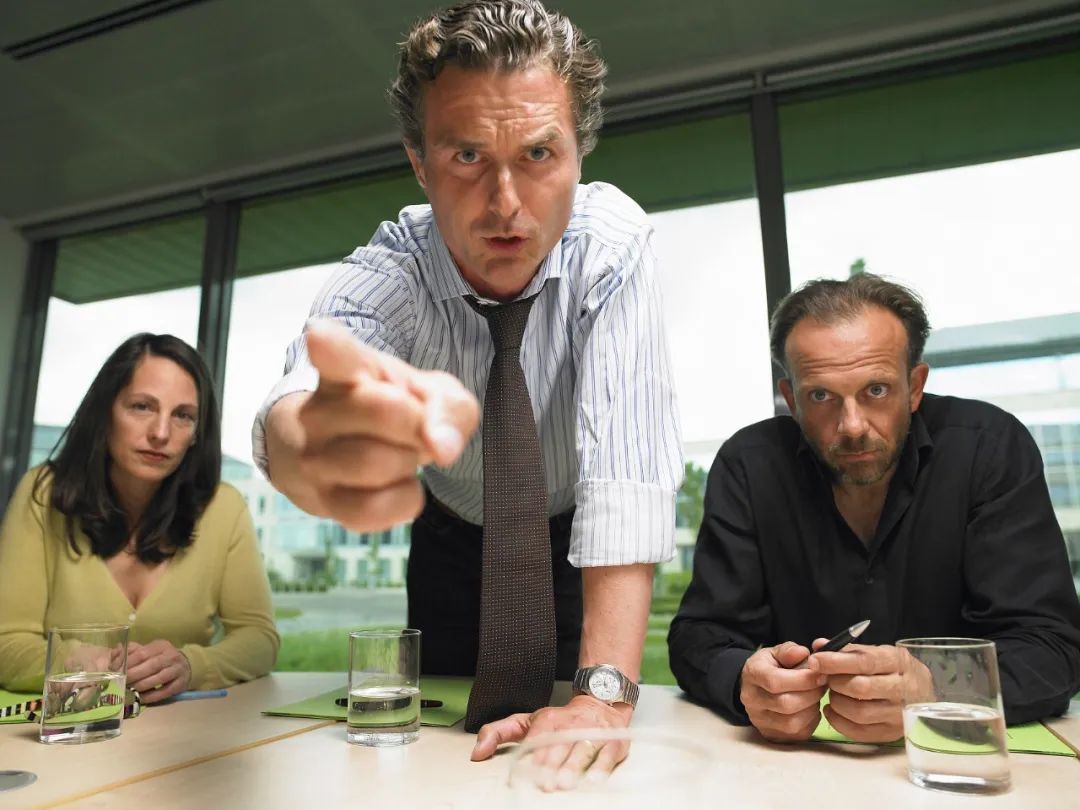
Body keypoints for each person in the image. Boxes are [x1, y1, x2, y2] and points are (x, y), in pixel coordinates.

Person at [254, 0, 682, 763]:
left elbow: (626, 477)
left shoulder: (612, 249)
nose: (506, 204)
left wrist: (603, 696)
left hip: (573, 540)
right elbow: (305, 391)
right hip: (450, 538)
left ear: (581, 154)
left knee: (579, 735)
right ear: (420, 164)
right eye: (466, 157)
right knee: (440, 747)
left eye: (539, 154)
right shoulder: (392, 270)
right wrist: (307, 443)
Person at [668, 273, 1080, 743]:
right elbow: (699, 636)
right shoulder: (750, 464)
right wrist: (745, 681)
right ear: (792, 400)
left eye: (877, 390)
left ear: (915, 386)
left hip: (960, 761)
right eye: (821, 396)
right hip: (799, 764)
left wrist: (935, 689)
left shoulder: (989, 448)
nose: (852, 426)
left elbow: (1053, 649)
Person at [0, 334, 279, 703]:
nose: (161, 433)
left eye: (183, 415)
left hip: (187, 733)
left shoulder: (223, 507)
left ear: (197, 434)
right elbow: (6, 641)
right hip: (68, 729)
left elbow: (259, 638)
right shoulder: (43, 494)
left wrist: (192, 666)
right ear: (105, 412)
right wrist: (71, 660)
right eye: (142, 407)